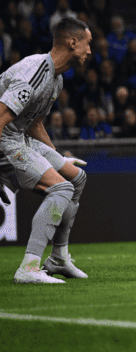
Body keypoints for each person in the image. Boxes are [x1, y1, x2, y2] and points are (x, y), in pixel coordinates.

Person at [0, 17, 92, 284]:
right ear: (72, 42)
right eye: (87, 44)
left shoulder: (56, 79)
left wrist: (56, 156)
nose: (90, 51)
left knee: (76, 179)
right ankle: (28, 268)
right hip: (5, 138)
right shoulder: (36, 71)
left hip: (18, 136)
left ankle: (59, 258)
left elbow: (35, 124)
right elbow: (3, 113)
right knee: (61, 188)